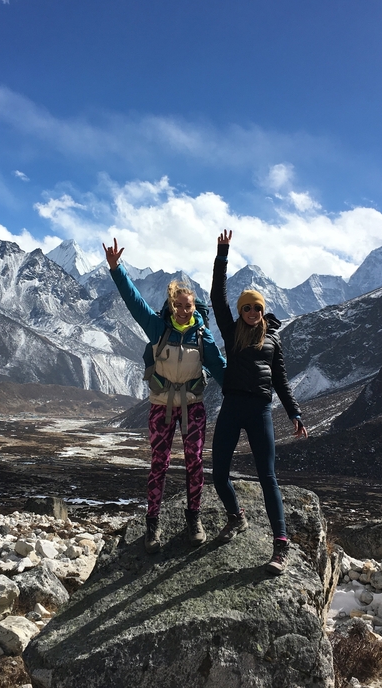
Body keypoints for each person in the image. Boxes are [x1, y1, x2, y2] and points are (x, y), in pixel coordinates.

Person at [104, 237, 226, 553]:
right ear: (172, 305)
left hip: (193, 407)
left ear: (194, 307)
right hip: (161, 407)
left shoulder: (203, 336)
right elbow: (135, 303)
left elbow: (221, 368)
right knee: (158, 464)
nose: (184, 311)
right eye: (179, 306)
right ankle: (152, 525)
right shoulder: (158, 328)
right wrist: (117, 270)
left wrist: (245, 391)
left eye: (188, 306)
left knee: (195, 462)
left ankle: (194, 519)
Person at [210, 229, 308, 575]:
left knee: (268, 476)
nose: (253, 311)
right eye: (247, 307)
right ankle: (236, 517)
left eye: (258, 308)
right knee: (219, 474)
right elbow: (216, 295)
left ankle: (280, 545)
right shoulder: (230, 329)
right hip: (232, 406)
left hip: (261, 410)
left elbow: (281, 378)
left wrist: (294, 411)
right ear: (240, 311)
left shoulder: (273, 339)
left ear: (264, 312)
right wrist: (222, 255)